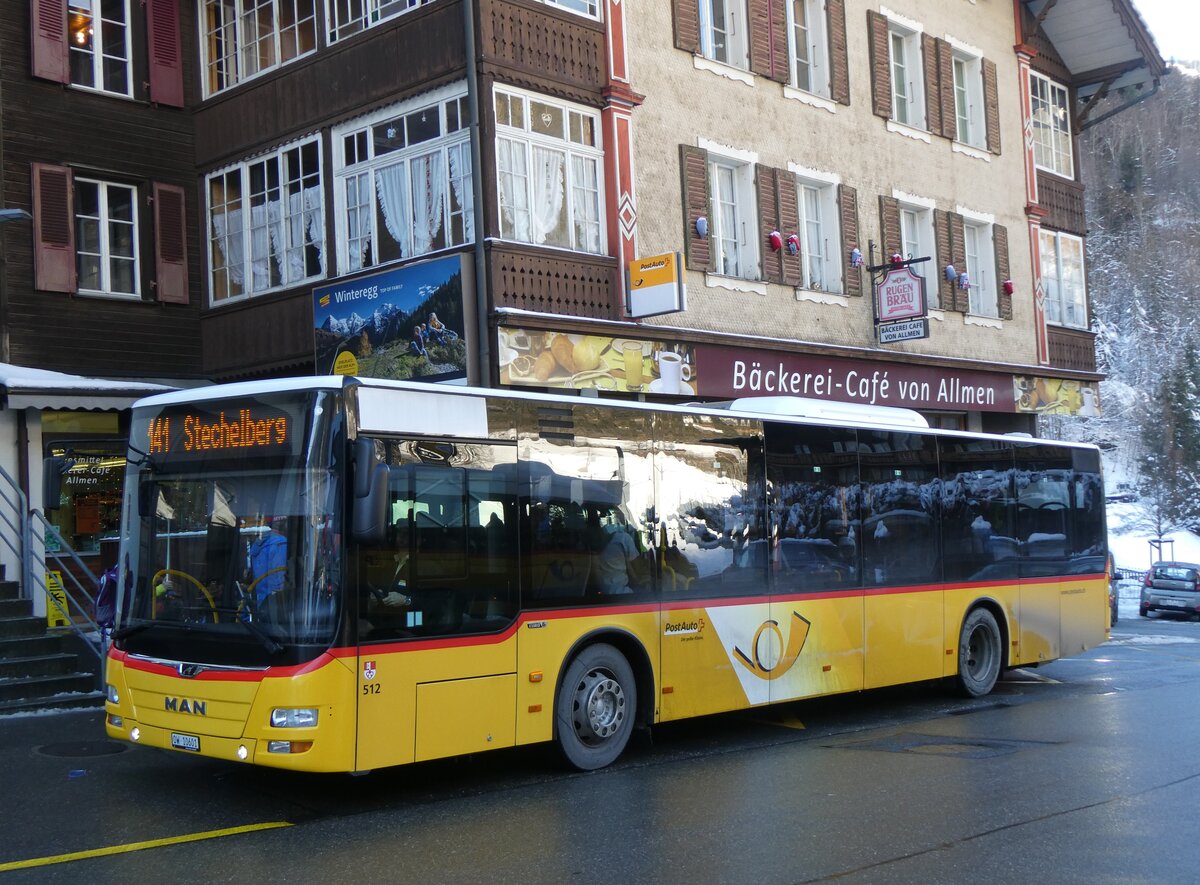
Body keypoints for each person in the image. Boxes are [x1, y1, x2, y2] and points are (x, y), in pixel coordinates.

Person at [248, 516, 288, 617]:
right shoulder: (281, 543)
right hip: (275, 605)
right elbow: (279, 578)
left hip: (261, 602)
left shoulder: (259, 544)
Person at [592, 515, 641, 595]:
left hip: (600, 594)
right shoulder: (623, 539)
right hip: (622, 595)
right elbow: (636, 572)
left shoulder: (590, 546)